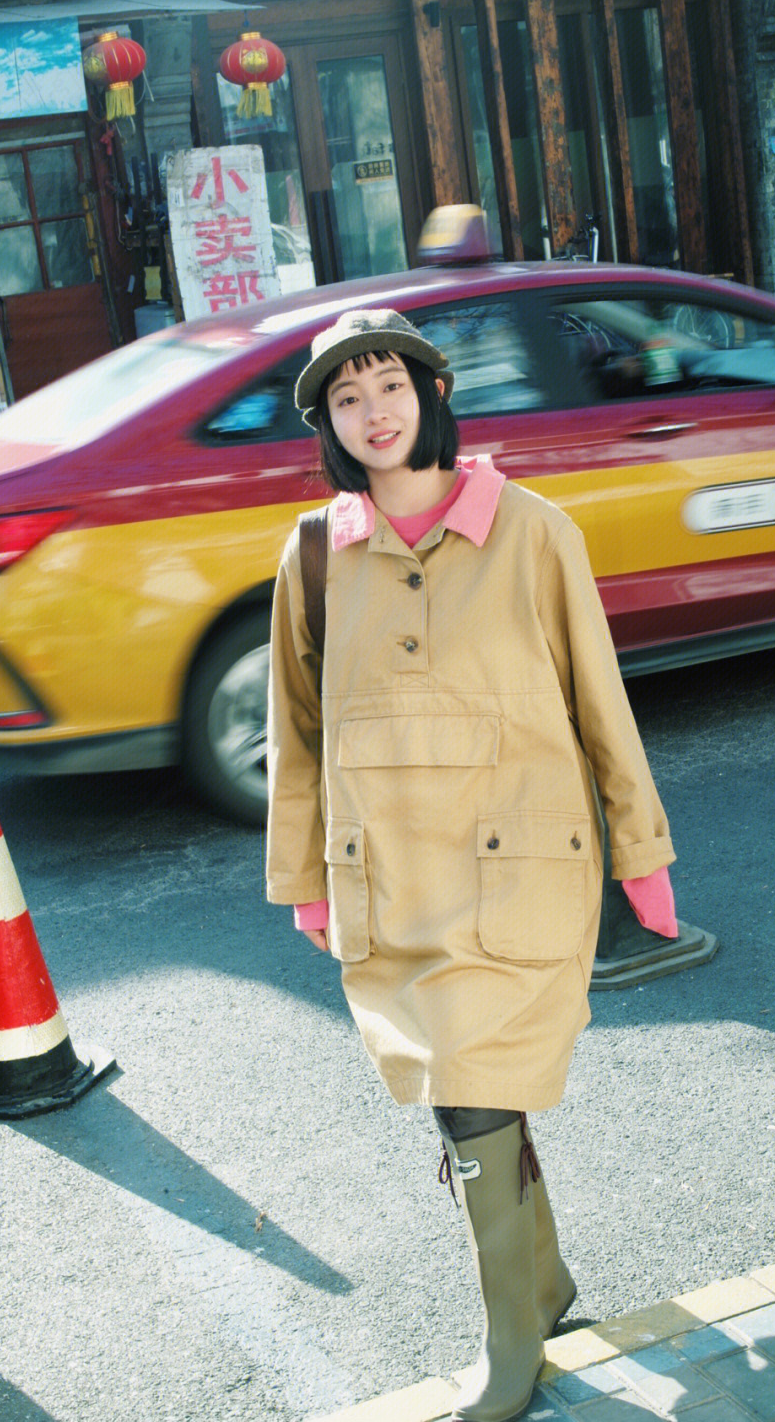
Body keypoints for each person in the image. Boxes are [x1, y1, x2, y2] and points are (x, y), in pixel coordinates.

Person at [266, 309, 679, 1422]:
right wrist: (304, 875)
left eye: (388, 385)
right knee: (473, 1090)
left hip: (520, 866)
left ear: (431, 391)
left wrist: (644, 858)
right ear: (329, 424)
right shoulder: (313, 553)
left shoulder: (534, 530)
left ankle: (511, 1345)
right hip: (390, 874)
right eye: (347, 398)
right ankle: (543, 1288)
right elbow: (295, 732)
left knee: (470, 1095)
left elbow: (602, 702)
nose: (374, 412)